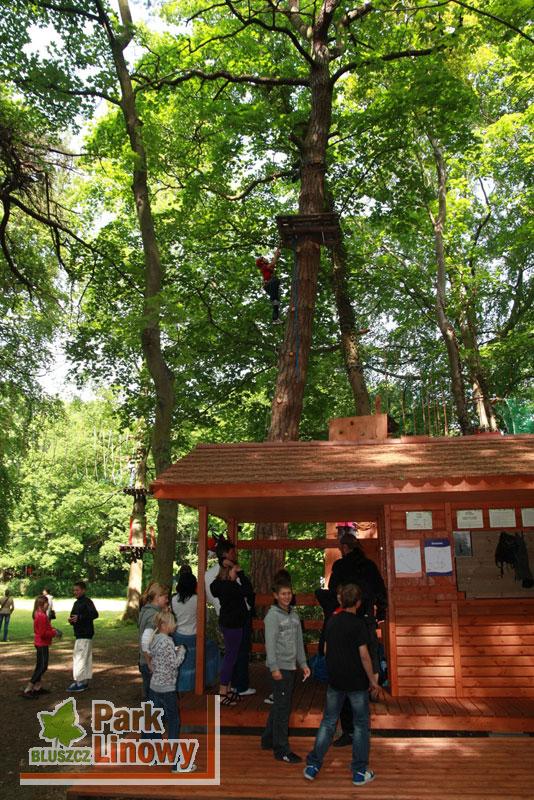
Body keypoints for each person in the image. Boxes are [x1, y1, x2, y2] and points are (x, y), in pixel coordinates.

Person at [303, 583, 379, 786]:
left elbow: (326, 650)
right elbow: (364, 655)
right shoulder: (359, 624)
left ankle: (313, 765)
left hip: (336, 681)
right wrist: (373, 680)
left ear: (341, 600)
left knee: (328, 722)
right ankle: (359, 771)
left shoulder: (332, 621)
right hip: (357, 682)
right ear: (358, 602)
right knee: (361, 725)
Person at [328, 533, 387, 746]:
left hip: (346, 619)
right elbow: (381, 591)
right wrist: (380, 613)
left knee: (347, 663)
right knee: (370, 654)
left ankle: (349, 730)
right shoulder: (369, 566)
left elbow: (332, 589)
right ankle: (373, 689)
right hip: (367, 619)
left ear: (344, 547)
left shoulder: (340, 566)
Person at [261, 576, 310, 763]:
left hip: (291, 666)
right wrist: (274, 667)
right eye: (283, 594)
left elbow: (299, 642)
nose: (286, 597)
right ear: (275, 595)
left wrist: (303, 664)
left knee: (280, 704)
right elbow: (270, 643)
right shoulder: (272, 617)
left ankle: (268, 739)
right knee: (283, 708)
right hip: (279, 667)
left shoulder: (294, 615)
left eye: (289, 593)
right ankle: (281, 749)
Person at [209, 537, 256, 698]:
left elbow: (215, 586)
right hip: (234, 625)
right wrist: (240, 573)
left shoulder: (220, 585)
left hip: (227, 623)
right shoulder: (232, 587)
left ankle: (227, 689)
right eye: (234, 572)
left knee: (231, 655)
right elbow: (248, 590)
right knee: (231, 657)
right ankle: (223, 691)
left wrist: (228, 568)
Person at [143, 610, 186, 765]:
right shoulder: (168, 641)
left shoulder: (154, 639)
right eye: (172, 622)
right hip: (167, 688)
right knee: (174, 721)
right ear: (164, 625)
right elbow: (173, 664)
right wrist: (182, 652)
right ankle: (176, 761)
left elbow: (157, 659)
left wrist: (174, 651)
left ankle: (155, 756)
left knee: (156, 721)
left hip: (154, 686)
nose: (175, 625)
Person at [23, 594, 62, 698]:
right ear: (41, 604)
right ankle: (28, 688)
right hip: (42, 644)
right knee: (42, 666)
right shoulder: (41, 616)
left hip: (40, 643)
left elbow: (45, 628)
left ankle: (37, 687)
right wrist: (55, 633)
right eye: (46, 603)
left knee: (40, 665)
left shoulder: (39, 614)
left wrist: (53, 629)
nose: (48, 605)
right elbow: (43, 634)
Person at [138, 582, 169, 701]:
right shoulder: (153, 615)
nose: (167, 600)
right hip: (150, 662)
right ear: (157, 597)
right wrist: (150, 663)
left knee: (150, 697)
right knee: (154, 699)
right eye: (165, 597)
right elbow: (146, 641)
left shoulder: (146, 610)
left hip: (145, 661)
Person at [67, 581, 99, 692]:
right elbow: (73, 616)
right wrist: (72, 620)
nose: (75, 592)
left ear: (83, 590)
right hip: (79, 634)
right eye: (74, 590)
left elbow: (94, 614)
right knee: (81, 657)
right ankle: (84, 681)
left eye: (77, 590)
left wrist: (80, 617)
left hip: (85, 634)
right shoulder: (76, 603)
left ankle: (80, 681)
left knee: (81, 658)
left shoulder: (87, 602)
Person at [256, 248, 282, 323]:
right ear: (262, 262)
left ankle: (275, 318)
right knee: (276, 282)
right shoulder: (263, 267)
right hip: (270, 283)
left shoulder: (267, 267)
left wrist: (277, 254)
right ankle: (273, 299)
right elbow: (273, 263)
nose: (266, 259)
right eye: (264, 259)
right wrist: (276, 255)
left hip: (270, 284)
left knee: (276, 301)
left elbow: (274, 261)